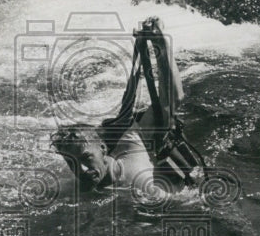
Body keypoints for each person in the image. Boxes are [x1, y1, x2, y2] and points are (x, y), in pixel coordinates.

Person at [51, 17, 200, 191]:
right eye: (71, 163)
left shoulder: (132, 143)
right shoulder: (83, 183)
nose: (81, 170)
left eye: (86, 158)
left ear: (103, 148)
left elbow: (174, 98)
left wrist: (160, 43)